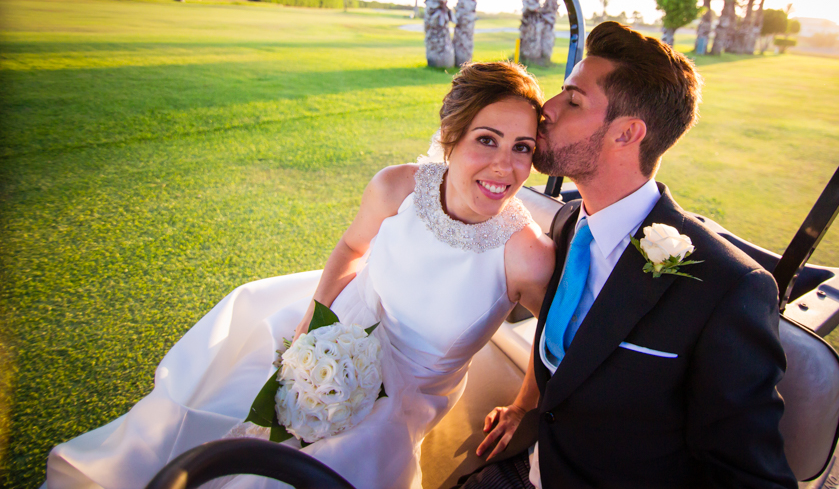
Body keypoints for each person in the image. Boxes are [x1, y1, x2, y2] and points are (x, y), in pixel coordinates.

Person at [44, 61, 555, 489]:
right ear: (451, 137)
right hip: (339, 330)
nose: (505, 167)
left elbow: (549, 340)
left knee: (325, 467)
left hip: (411, 392)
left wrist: (521, 405)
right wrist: (312, 326)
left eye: (522, 148)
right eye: (487, 140)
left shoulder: (526, 254)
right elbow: (353, 247)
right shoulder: (398, 187)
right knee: (216, 408)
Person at [468, 23, 797, 488]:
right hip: (526, 468)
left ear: (626, 134)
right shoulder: (569, 224)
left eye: (573, 99)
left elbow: (750, 478)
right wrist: (525, 407)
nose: (548, 109)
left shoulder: (728, 290)